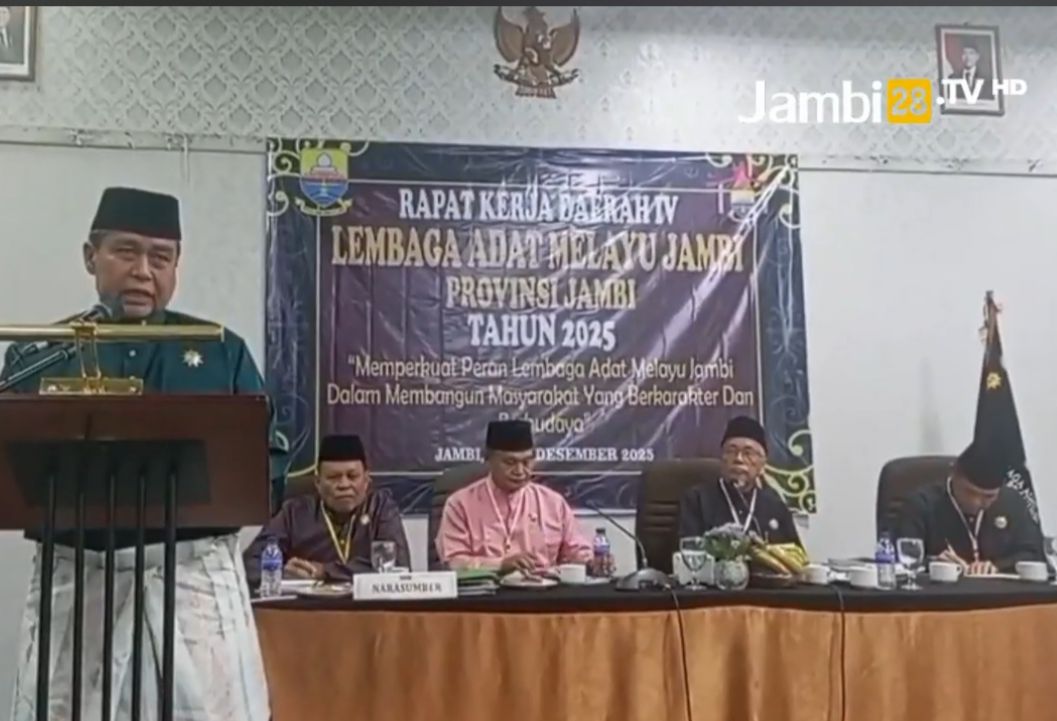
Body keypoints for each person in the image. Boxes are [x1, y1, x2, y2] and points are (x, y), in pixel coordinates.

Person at [0, 186, 289, 721]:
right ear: (91, 256)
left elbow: (267, 457)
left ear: (177, 266)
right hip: (82, 577)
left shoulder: (220, 350)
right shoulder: (42, 354)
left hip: (193, 580)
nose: (142, 271)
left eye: (160, 258)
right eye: (126, 252)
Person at [243, 433, 410, 586]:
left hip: (367, 606)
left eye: (352, 476)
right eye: (333, 477)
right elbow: (251, 564)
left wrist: (325, 572)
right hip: (311, 605)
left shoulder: (380, 507)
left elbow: (397, 566)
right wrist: (284, 572)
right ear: (318, 482)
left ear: (366, 480)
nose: (344, 485)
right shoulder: (294, 512)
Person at [436, 419, 592, 573]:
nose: (520, 471)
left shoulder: (553, 503)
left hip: (542, 587)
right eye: (510, 462)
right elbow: (454, 563)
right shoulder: (460, 505)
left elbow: (577, 552)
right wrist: (499, 565)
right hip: (485, 589)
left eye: (527, 462)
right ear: (489, 460)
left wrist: (592, 562)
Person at [894, 440, 1043, 575]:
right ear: (954, 476)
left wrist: (997, 566)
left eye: (989, 497)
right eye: (970, 493)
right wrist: (933, 563)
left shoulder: (1011, 502)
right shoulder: (920, 505)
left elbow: (1035, 554)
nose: (977, 502)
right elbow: (901, 557)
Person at [677, 415, 802, 545]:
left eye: (748, 453)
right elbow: (687, 549)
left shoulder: (776, 506)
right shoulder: (697, 500)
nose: (739, 459)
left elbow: (795, 554)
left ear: (762, 464)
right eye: (731, 451)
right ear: (722, 458)